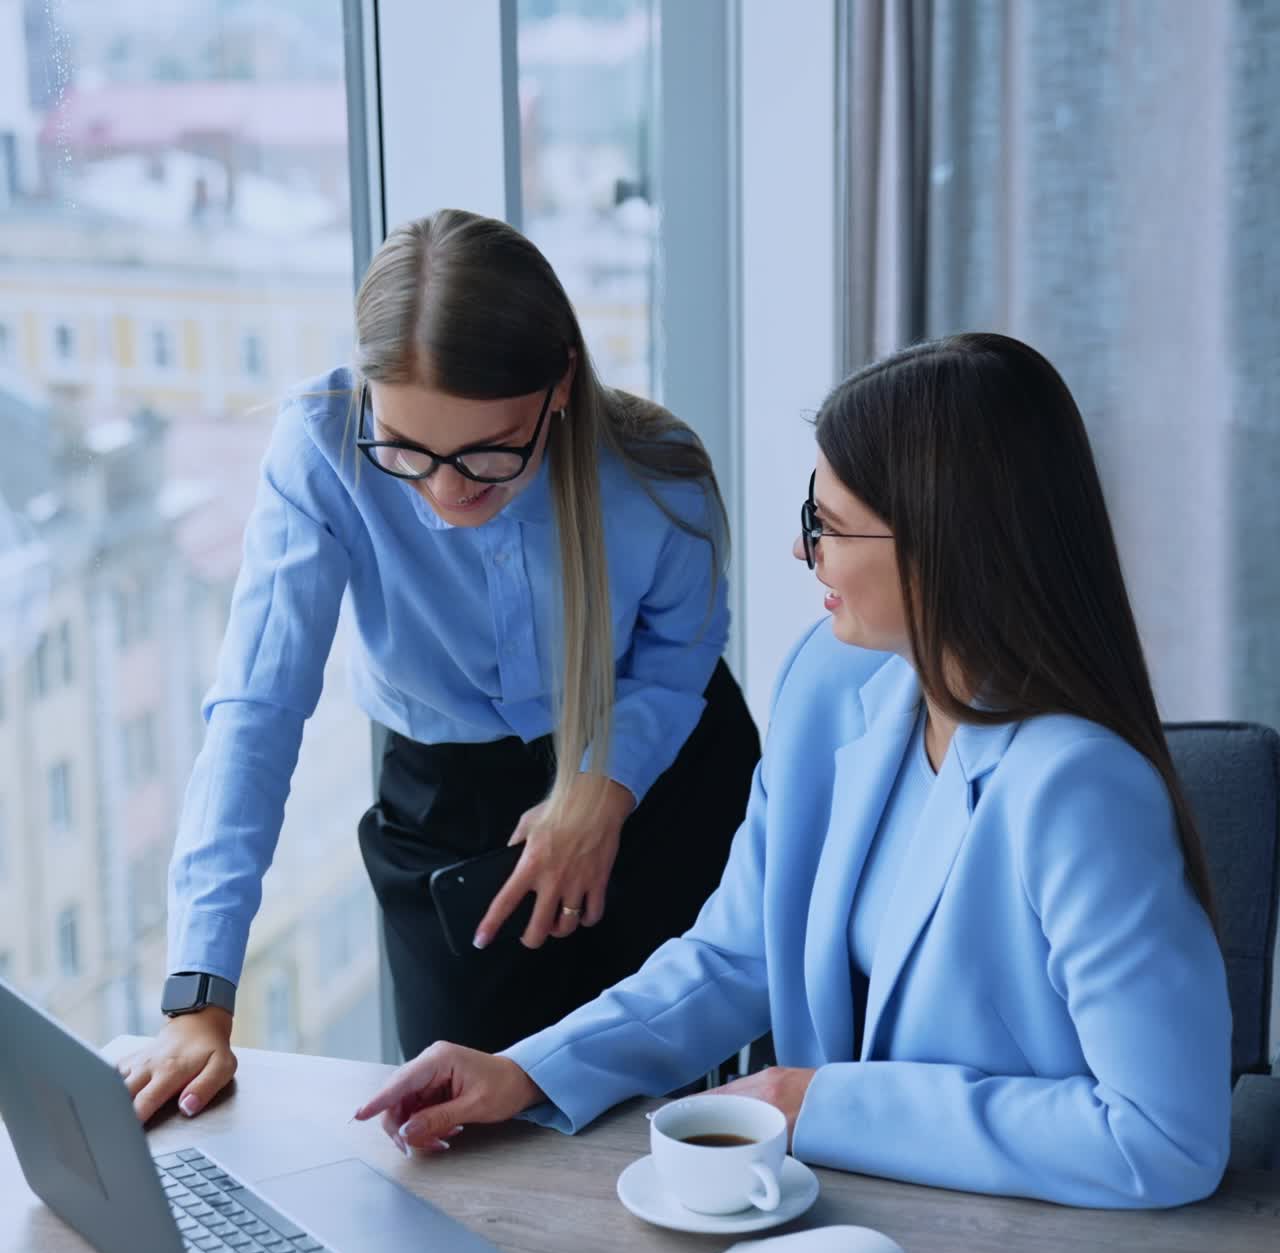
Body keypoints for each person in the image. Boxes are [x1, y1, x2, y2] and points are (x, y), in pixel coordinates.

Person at [353, 333, 1232, 1208]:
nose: (801, 551)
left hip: (1030, 1238)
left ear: (946, 546)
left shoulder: (1078, 790)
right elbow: (739, 953)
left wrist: (817, 1103)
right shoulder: (833, 682)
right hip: (835, 1212)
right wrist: (526, 1070)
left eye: (828, 525)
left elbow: (1162, 1138)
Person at [118, 209, 760, 1123]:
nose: (446, 489)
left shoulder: (657, 469)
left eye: (491, 454)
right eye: (406, 452)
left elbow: (686, 647)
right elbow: (257, 709)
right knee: (452, 1125)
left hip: (662, 775)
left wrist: (602, 786)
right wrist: (199, 995)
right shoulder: (321, 449)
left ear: (561, 387)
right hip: (450, 804)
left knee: (684, 1110)